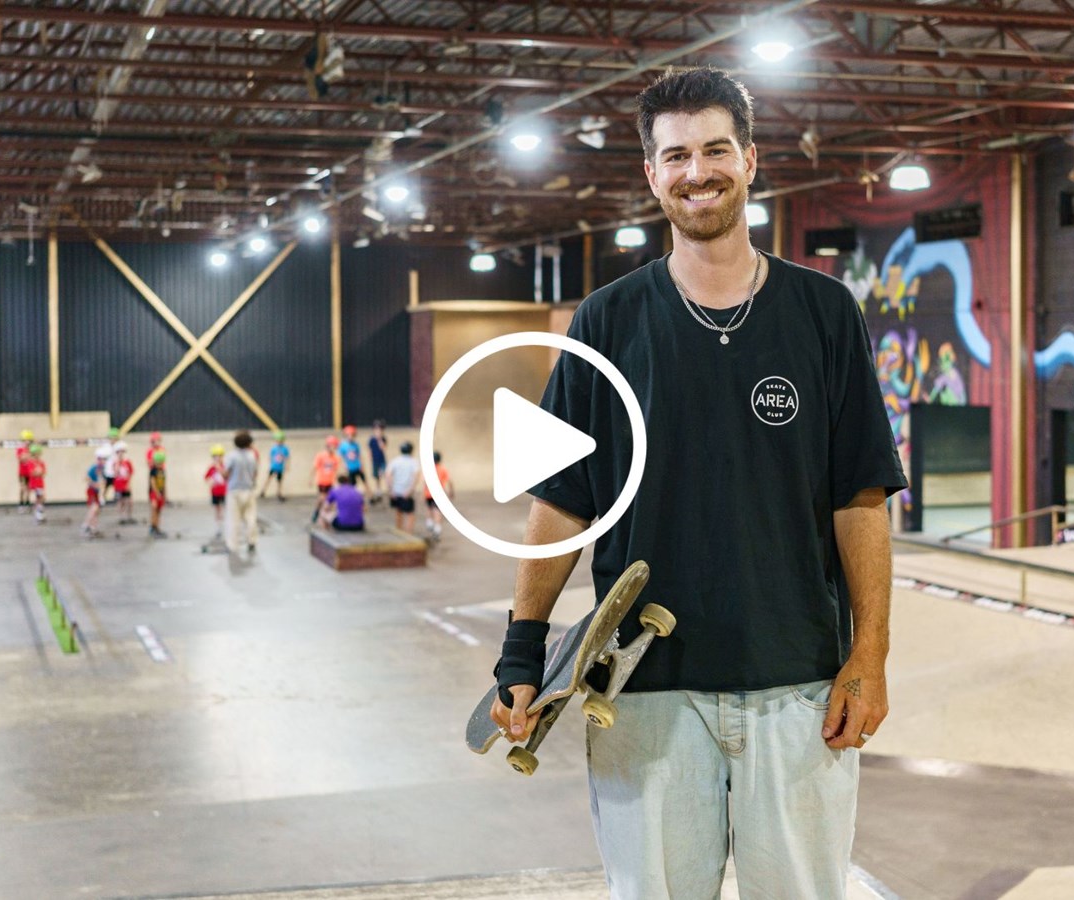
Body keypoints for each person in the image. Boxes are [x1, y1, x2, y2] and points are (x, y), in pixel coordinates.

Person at [486, 68, 905, 900]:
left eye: (716, 149)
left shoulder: (824, 313)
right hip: (644, 694)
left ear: (750, 160)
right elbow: (562, 500)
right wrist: (521, 651)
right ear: (651, 174)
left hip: (798, 685)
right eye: (675, 155)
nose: (696, 171)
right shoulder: (604, 322)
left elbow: (859, 496)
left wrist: (871, 653)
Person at [223, 430, 261, 554]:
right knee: (251, 518)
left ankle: (232, 545)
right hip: (249, 490)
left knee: (234, 519)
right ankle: (252, 542)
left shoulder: (231, 456)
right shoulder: (252, 456)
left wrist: (219, 470)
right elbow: (255, 473)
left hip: (234, 491)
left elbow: (226, 474)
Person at [384, 440, 420, 533]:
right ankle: (409, 533)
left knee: (398, 512)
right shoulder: (413, 462)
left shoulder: (395, 461)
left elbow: (388, 475)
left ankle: (399, 533)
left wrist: (391, 490)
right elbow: (416, 477)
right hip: (407, 492)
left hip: (396, 491)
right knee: (410, 514)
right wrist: (411, 490)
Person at [423, 450, 453, 541]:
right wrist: (451, 492)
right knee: (437, 511)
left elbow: (425, 482)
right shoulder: (443, 469)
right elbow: (449, 481)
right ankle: (437, 528)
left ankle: (429, 523)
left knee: (429, 508)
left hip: (428, 493)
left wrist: (423, 492)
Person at [337, 425, 369, 501]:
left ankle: (370, 497)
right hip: (350, 468)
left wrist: (361, 465)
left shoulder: (355, 444)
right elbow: (341, 456)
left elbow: (359, 455)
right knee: (352, 485)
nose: (350, 437)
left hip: (357, 466)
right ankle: (353, 498)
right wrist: (344, 465)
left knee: (365, 482)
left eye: (352, 435)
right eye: (349, 435)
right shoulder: (343, 445)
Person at [83, 446, 110, 537]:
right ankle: (86, 525)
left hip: (97, 491)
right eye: (104, 459)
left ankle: (93, 527)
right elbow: (86, 478)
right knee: (94, 508)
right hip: (92, 491)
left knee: (96, 510)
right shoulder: (94, 468)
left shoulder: (102, 469)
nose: (105, 461)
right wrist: (94, 484)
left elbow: (103, 480)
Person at [205, 444, 228, 541]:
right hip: (215, 492)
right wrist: (210, 482)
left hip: (225, 492)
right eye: (215, 456)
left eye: (219, 456)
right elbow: (206, 477)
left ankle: (227, 525)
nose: (217, 458)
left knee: (226, 508)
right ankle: (219, 527)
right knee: (217, 509)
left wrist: (220, 468)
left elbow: (228, 476)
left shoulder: (224, 466)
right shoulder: (212, 468)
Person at [111, 441, 135, 524]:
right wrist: (118, 463)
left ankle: (129, 516)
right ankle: (121, 517)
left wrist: (129, 484)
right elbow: (115, 473)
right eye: (119, 452)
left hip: (126, 485)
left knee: (129, 501)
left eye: (122, 452)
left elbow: (130, 473)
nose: (121, 454)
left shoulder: (127, 462)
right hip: (118, 485)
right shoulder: (115, 463)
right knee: (121, 502)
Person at [311, 435, 340, 500]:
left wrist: (336, 481)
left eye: (335, 447)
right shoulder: (321, 455)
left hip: (330, 481)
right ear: (328, 445)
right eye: (333, 446)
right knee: (322, 497)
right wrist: (311, 479)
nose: (334, 448)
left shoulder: (336, 458)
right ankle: (318, 510)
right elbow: (315, 467)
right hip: (321, 481)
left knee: (329, 498)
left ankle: (323, 509)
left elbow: (335, 470)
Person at [148, 450, 169, 538]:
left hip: (160, 493)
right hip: (154, 493)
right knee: (154, 508)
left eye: (161, 462)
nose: (159, 464)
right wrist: (157, 493)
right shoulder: (153, 471)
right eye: (158, 462)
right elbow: (153, 483)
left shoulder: (162, 471)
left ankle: (157, 527)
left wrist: (165, 494)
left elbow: (164, 484)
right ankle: (153, 527)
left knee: (159, 511)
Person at [367, 420, 388, 506]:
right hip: (375, 460)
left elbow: (383, 448)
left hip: (381, 460)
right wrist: (370, 456)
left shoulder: (383, 439)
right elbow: (370, 449)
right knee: (376, 476)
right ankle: (378, 490)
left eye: (380, 430)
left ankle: (388, 488)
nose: (378, 432)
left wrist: (379, 439)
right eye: (376, 430)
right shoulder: (371, 439)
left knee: (383, 473)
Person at [266, 431, 290, 502]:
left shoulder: (285, 449)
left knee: (279, 481)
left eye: (280, 440)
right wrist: (270, 465)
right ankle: (263, 490)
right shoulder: (274, 448)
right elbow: (270, 457)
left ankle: (279, 493)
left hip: (280, 468)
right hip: (274, 466)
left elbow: (287, 458)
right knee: (269, 478)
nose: (279, 442)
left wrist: (287, 466)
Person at [27, 443, 47, 523]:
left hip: (40, 483)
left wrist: (39, 472)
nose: (37, 456)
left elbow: (44, 473)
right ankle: (39, 514)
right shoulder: (31, 463)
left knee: (41, 498)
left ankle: (40, 513)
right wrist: (38, 472)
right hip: (35, 483)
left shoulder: (41, 463)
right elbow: (31, 473)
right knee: (40, 497)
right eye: (36, 454)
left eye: (39, 454)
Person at [16, 429, 35, 509]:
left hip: (29, 471)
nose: (27, 442)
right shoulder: (20, 449)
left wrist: (28, 455)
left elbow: (33, 459)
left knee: (28, 487)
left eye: (29, 440)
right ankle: (21, 503)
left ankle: (27, 502)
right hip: (22, 472)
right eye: (25, 440)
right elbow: (21, 459)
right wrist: (27, 455)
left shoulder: (31, 449)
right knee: (22, 487)